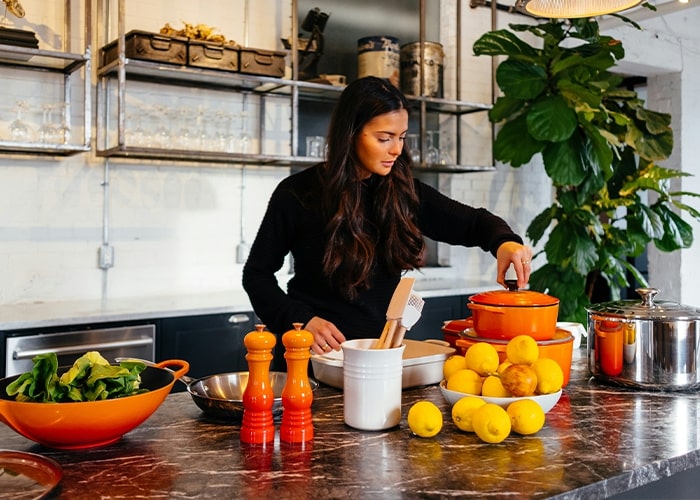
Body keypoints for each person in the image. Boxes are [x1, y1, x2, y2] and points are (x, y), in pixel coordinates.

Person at [242, 76, 532, 355]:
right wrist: (301, 321)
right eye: (384, 138)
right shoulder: (297, 193)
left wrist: (504, 242)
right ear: (351, 133)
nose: (396, 149)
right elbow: (257, 275)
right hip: (311, 359)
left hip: (380, 358)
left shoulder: (403, 192)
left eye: (402, 137)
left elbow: (474, 223)